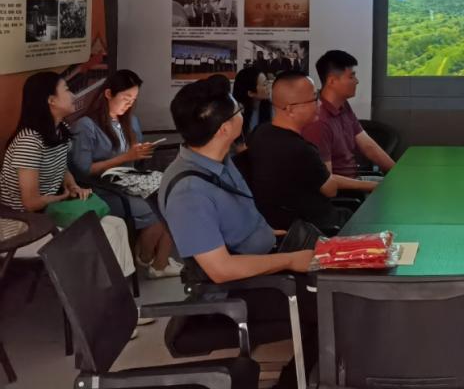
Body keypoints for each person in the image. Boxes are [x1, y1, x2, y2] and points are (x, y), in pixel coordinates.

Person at [160, 79, 315, 389]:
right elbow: (221, 270)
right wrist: (289, 260)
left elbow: (235, 218)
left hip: (263, 262)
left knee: (340, 274)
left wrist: (267, 234)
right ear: (224, 129)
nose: (242, 114)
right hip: (236, 291)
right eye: (238, 111)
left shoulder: (218, 161)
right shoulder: (189, 192)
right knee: (334, 300)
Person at [0, 72, 136, 280]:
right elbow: (31, 203)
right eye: (67, 90)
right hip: (25, 223)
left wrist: (72, 186)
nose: (73, 95)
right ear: (51, 100)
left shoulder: (60, 130)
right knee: (104, 233)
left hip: (48, 212)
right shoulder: (29, 141)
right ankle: (100, 293)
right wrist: (63, 197)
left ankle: (117, 290)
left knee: (117, 224)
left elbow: (61, 167)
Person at [69, 70, 181, 278]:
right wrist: (124, 157)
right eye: (126, 98)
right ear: (108, 94)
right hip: (102, 190)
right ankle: (147, 258)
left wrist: (140, 152)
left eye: (134, 99)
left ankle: (159, 261)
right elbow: (83, 170)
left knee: (174, 200)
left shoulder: (131, 121)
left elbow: (133, 161)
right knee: (156, 211)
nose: (129, 104)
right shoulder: (86, 126)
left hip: (128, 181)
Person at [247, 71, 354, 234]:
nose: (320, 104)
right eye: (314, 99)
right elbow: (330, 189)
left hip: (284, 220)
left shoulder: (259, 132)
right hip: (315, 229)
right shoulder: (300, 149)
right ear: (290, 109)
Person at [302, 50, 393, 186]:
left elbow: (368, 146)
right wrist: (373, 187)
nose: (356, 81)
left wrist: (397, 172)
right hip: (344, 191)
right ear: (332, 81)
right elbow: (326, 182)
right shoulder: (318, 121)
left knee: (402, 184)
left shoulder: (343, 105)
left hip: (356, 180)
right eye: (351, 76)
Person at [232, 66, 272, 139]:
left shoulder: (272, 108)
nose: (268, 87)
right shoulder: (236, 112)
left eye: (267, 82)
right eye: (264, 84)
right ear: (251, 93)